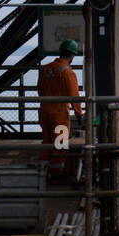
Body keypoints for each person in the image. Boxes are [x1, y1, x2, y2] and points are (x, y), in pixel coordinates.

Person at [38, 39, 84, 179]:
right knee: (60, 144)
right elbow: (74, 95)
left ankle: (43, 172)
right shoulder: (67, 72)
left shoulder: (45, 68)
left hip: (44, 111)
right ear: (72, 56)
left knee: (47, 141)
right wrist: (78, 113)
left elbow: (39, 89)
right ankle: (56, 174)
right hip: (59, 115)